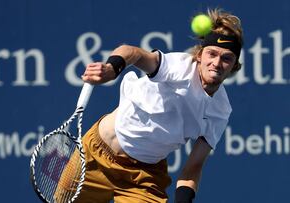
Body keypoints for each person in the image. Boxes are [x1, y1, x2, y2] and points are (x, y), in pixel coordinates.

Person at [68, 8, 243, 203]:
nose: (217, 63)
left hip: (143, 177)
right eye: (212, 54)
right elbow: (132, 52)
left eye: (226, 58)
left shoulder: (220, 112)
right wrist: (111, 69)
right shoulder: (178, 67)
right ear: (200, 55)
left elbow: (194, 167)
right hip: (93, 155)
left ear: (234, 65)